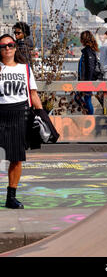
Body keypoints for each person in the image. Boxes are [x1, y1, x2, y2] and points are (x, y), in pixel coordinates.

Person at [0, 34, 43, 209]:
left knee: (16, 159)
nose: (7, 48)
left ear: (16, 47)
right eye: (3, 46)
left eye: (10, 45)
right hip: (1, 112)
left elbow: (33, 94)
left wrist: (42, 115)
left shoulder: (25, 69)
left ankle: (11, 197)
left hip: (19, 114)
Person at [75, 31, 99, 115]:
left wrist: (88, 82)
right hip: (85, 80)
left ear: (84, 40)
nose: (80, 40)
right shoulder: (88, 51)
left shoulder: (88, 51)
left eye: (81, 38)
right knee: (82, 98)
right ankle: (88, 114)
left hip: (87, 81)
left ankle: (90, 116)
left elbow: (90, 67)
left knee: (85, 99)